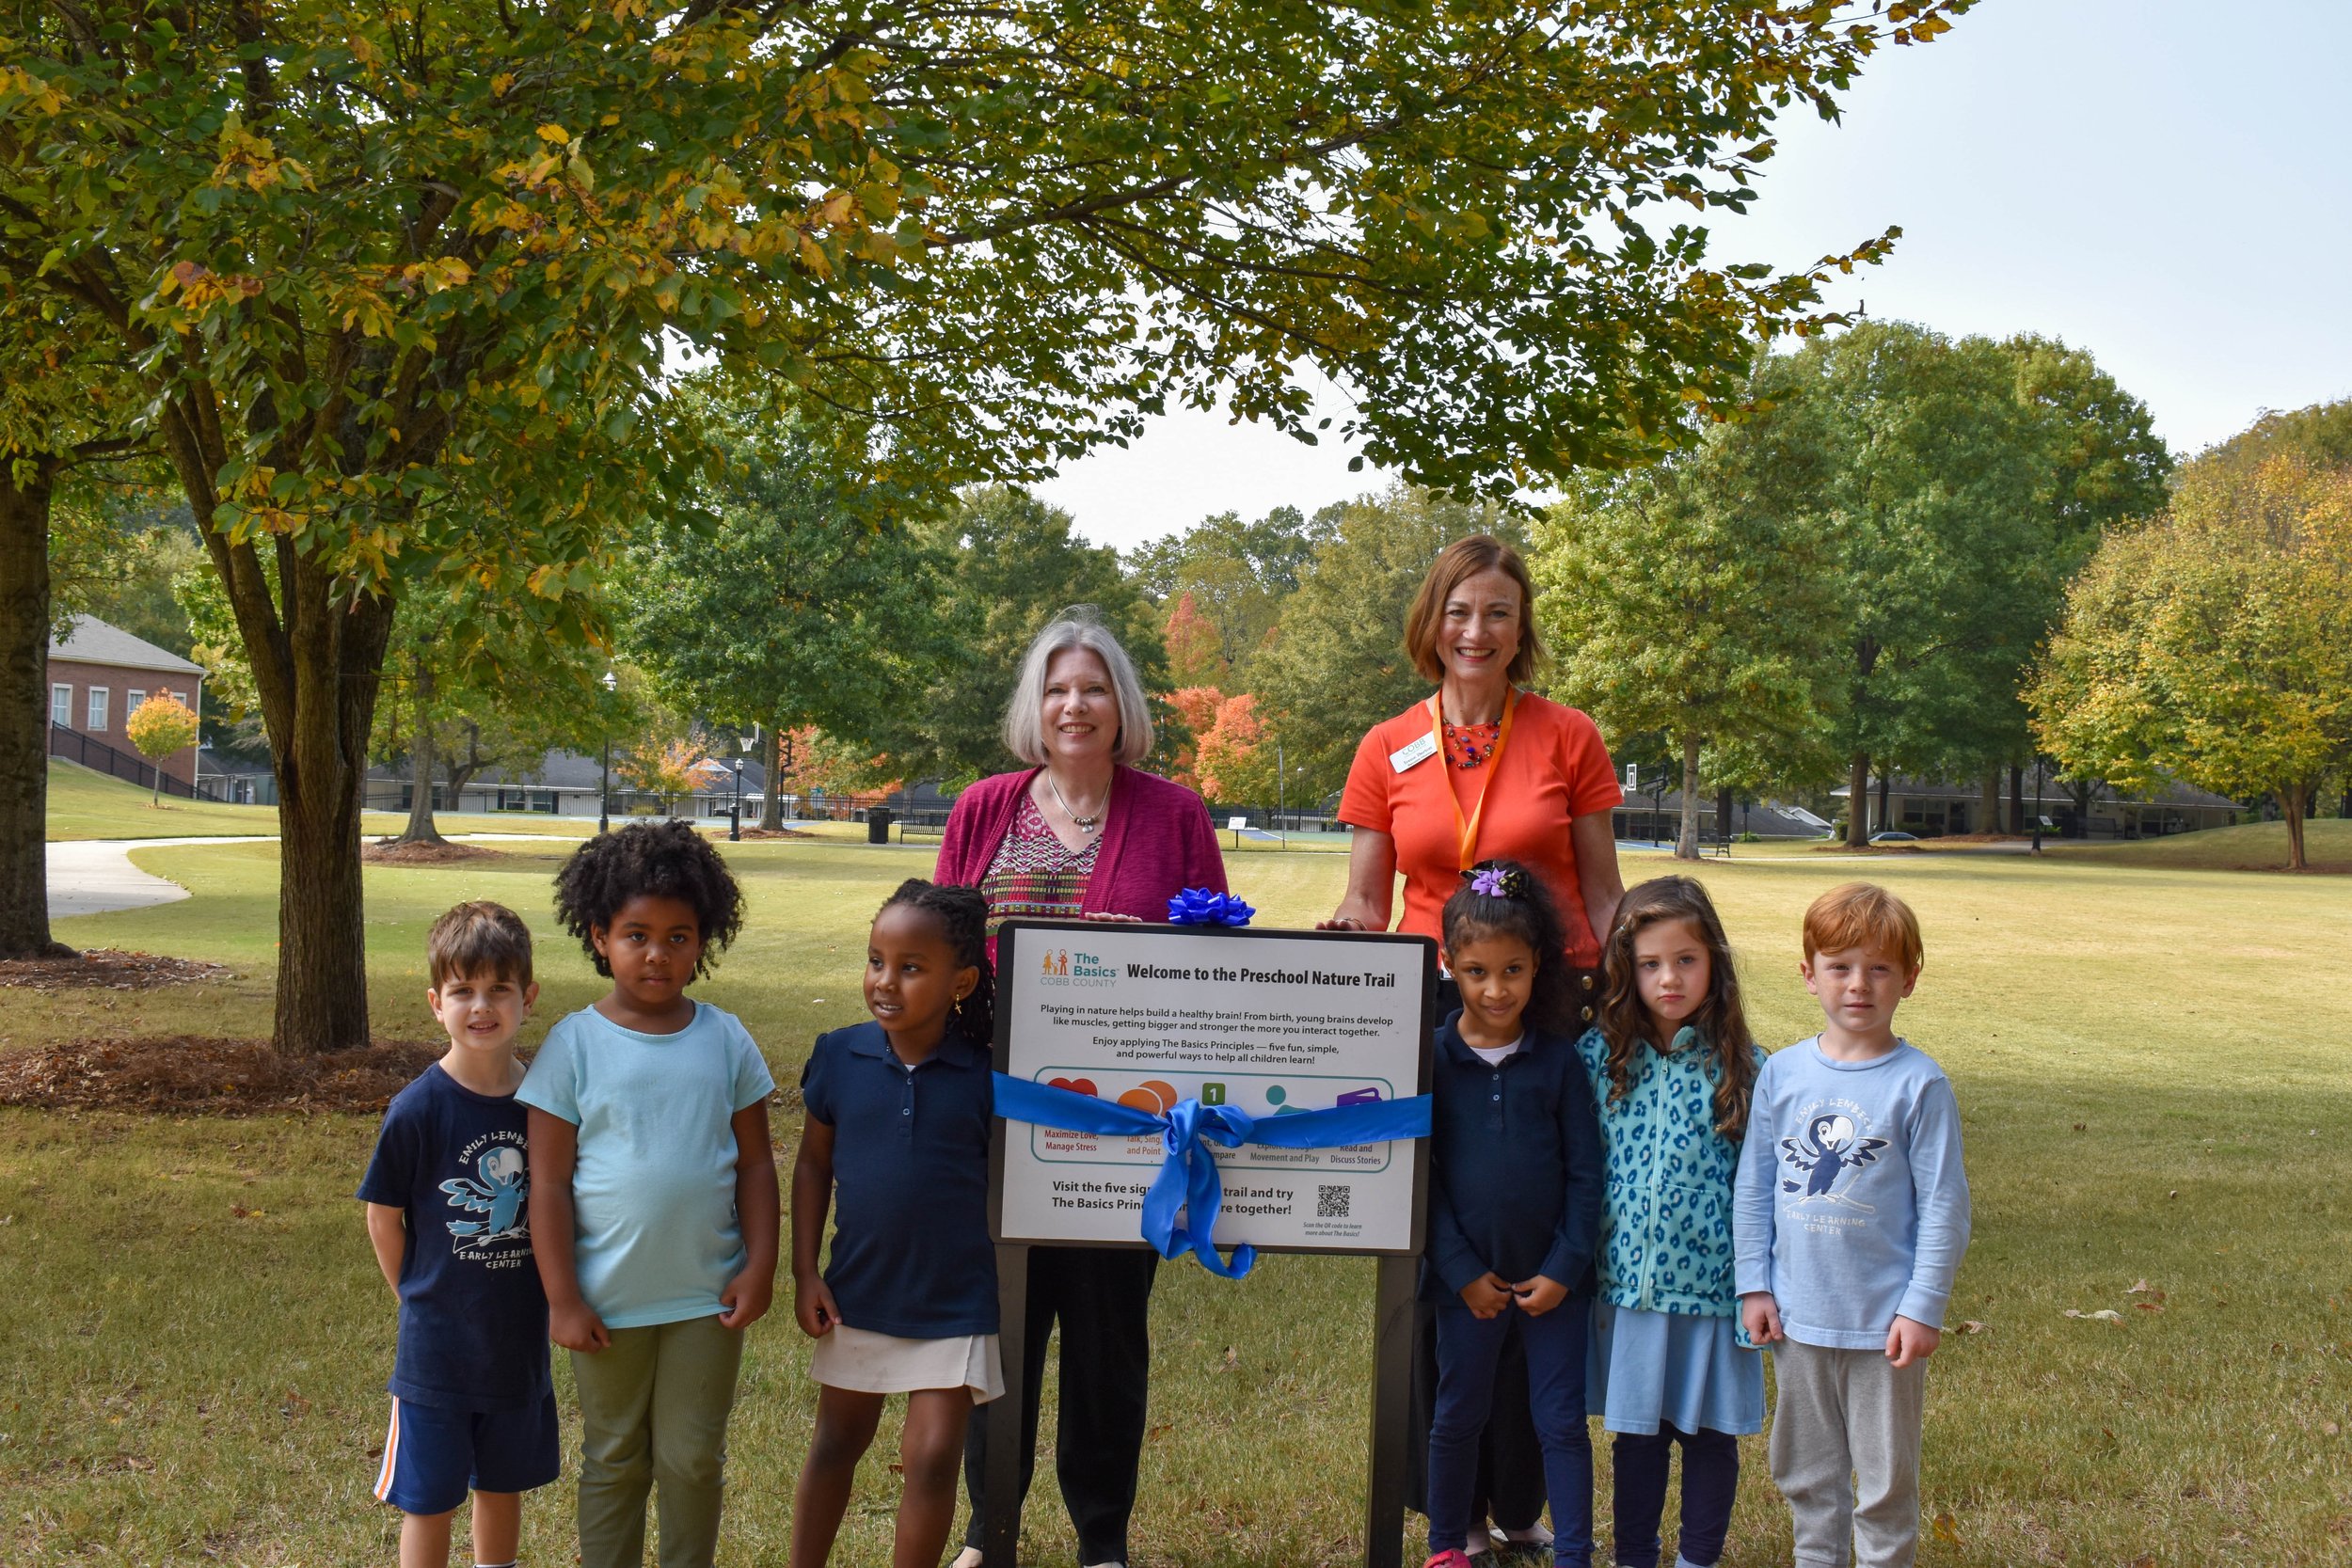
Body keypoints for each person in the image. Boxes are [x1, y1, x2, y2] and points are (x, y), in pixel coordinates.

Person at [1327, 534, 1626, 1554]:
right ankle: (1444, 1504)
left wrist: (1632, 995)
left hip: (1553, 1007)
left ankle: (1519, 1503)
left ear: (1519, 627)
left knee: (1542, 1246)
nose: (1476, 630)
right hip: (1431, 1023)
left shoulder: (1568, 735)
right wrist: (1338, 947)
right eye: (1459, 610)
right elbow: (1367, 901)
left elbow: (1602, 888)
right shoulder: (1385, 745)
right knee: (1441, 1253)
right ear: (1431, 621)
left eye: (1497, 611)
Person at [935, 615, 1227, 1568]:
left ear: (1121, 705)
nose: (1075, 704)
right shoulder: (984, 806)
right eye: (1058, 687)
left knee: (1108, 1332)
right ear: (1036, 703)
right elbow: (936, 949)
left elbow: (1214, 960)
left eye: (1093, 687)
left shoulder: (1174, 813)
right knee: (1002, 1322)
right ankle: (991, 1528)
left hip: (1123, 1126)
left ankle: (1103, 1534)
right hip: (998, 1109)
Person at [520, 820, 780, 1568]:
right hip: (607, 1300)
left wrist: (760, 1265)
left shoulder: (726, 1039)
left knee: (693, 1460)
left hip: (707, 1297)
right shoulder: (574, 1043)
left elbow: (758, 1167)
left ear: (704, 940)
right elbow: (546, 1181)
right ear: (600, 935)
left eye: (678, 935)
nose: (657, 953)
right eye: (637, 934)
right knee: (613, 1457)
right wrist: (562, 1295)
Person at [1735, 883, 1971, 1568]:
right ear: (1809, 975)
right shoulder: (1781, 1073)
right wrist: (1754, 1283)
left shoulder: (1919, 1084)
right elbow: (1754, 1188)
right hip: (1797, 1316)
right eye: (1840, 966)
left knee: (1884, 1477)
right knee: (1806, 1471)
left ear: (1910, 978)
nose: (1859, 985)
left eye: (1879, 968)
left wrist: (1922, 1307)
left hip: (1882, 1325)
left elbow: (1945, 1206)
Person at [789, 881, 1002, 1568]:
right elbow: (812, 1165)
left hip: (957, 1295)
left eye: (911, 967)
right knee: (836, 1443)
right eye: (876, 959)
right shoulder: (838, 1056)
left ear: (961, 981)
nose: (885, 980)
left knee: (934, 1453)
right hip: (861, 1287)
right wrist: (804, 1272)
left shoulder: (986, 1073)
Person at [358, 901, 556, 1568]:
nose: (482, 1005)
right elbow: (383, 1214)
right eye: (462, 989)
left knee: (503, 1483)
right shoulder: (417, 1108)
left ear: (527, 996)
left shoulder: (547, 1102)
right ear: (434, 1002)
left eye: (499, 988)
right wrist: (411, 1293)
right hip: (437, 1350)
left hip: (517, 1341)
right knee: (430, 1496)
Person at [1577, 878, 1766, 1568]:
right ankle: (1634, 1557)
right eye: (1651, 963)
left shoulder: (1747, 1068)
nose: (1669, 978)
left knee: (1712, 1436)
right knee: (1638, 1438)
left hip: (1715, 1293)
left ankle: (1698, 1558)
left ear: (1714, 960)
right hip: (1629, 1292)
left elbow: (1761, 1189)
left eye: (1686, 959)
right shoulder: (1598, 1059)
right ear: (1627, 968)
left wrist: (1758, 1284)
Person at [1422, 859, 1606, 1568]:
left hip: (1554, 1287)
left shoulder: (1559, 1063)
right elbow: (1423, 1177)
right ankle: (1446, 1546)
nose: (1495, 989)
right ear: (1449, 965)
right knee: (1457, 1415)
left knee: (1560, 1421)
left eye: (1513, 971)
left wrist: (1564, 1268)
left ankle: (1577, 1554)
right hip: (1463, 1285)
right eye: (1475, 972)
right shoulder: (1431, 1059)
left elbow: (1588, 1176)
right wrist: (1462, 1269)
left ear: (1538, 967)